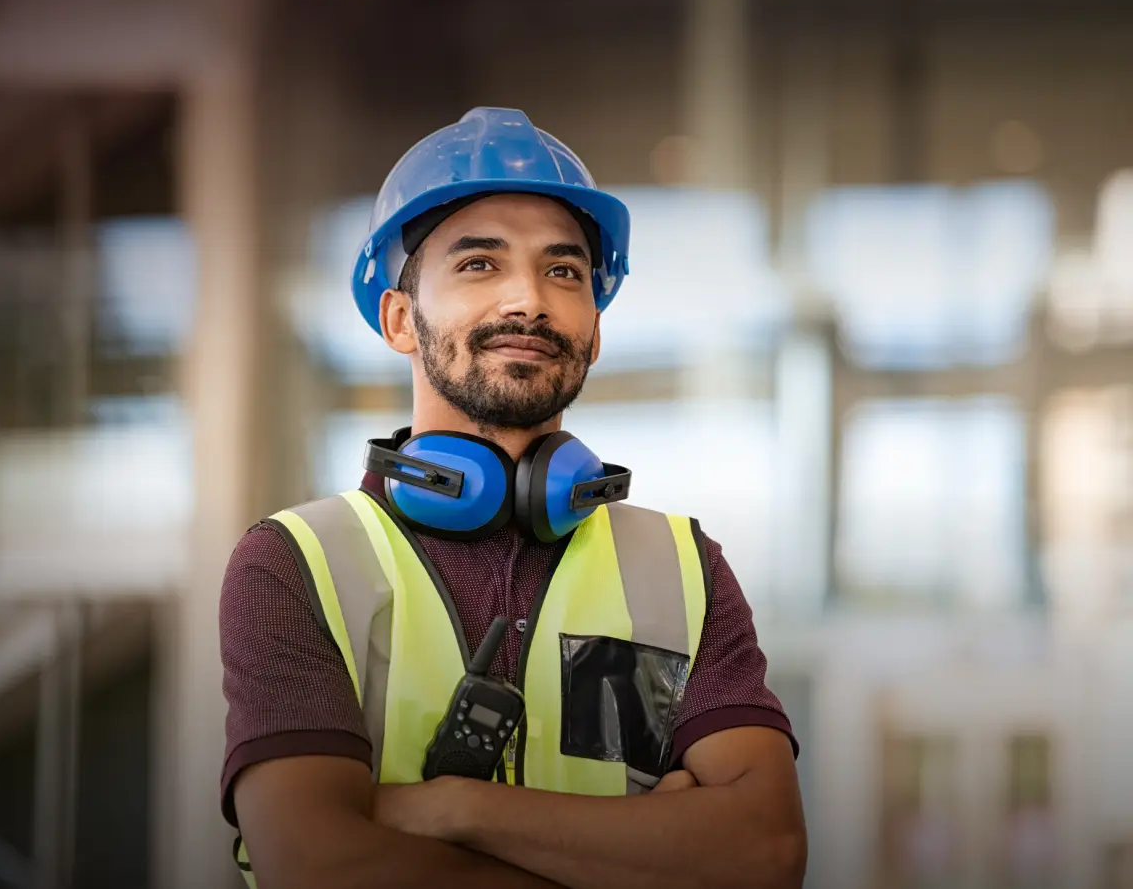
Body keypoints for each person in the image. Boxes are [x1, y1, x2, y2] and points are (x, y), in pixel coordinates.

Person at [220, 108, 806, 889]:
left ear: (595, 331)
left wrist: (455, 808)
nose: (527, 299)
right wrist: (647, 856)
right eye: (479, 265)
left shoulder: (683, 570)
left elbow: (765, 852)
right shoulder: (295, 564)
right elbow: (320, 865)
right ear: (401, 319)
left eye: (563, 271)